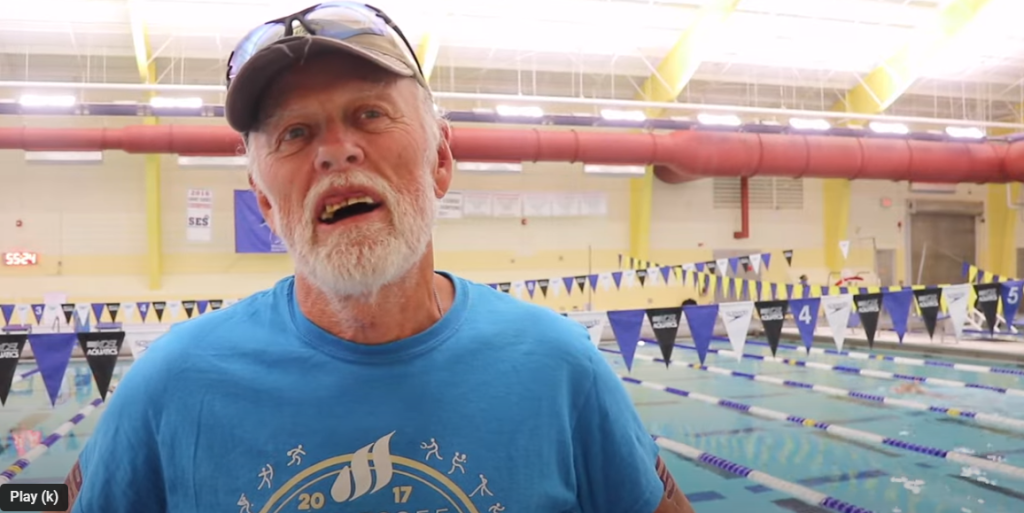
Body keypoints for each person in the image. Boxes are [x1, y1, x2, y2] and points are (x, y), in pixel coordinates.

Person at [54, 3, 694, 513]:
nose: (336, 152)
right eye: (294, 134)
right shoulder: (171, 384)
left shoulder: (561, 367)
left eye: (369, 114)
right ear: (266, 204)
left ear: (440, 159)